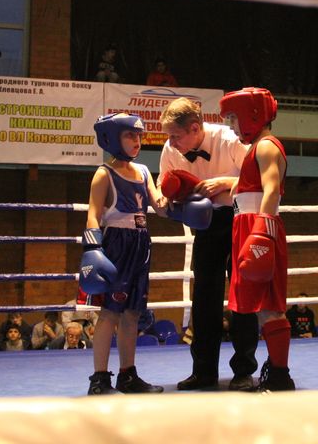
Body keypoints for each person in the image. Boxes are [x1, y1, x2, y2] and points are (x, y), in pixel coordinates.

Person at [158, 97, 258, 391]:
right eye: (169, 136)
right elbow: (165, 187)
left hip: (239, 219)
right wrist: (168, 202)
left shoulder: (228, 139)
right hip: (205, 225)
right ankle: (203, 372)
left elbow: (261, 178)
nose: (171, 142)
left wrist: (227, 182)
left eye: (176, 135)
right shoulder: (171, 149)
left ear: (194, 128)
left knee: (242, 297)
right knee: (203, 299)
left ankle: (243, 371)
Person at [84, 112, 168, 395]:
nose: (137, 140)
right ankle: (99, 379)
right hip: (115, 244)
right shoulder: (103, 174)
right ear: (112, 139)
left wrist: (184, 193)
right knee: (110, 312)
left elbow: (159, 205)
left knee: (132, 312)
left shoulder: (144, 171)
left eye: (139, 135)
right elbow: (93, 214)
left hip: (141, 243)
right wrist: (92, 248)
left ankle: (128, 375)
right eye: (130, 135)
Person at [220, 86, 295, 392]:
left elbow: (272, 189)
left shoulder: (266, 146)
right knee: (261, 306)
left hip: (259, 226)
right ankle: (277, 370)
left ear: (253, 115)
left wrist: (261, 232)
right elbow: (249, 190)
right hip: (247, 226)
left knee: (271, 306)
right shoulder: (255, 148)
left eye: (234, 118)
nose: (232, 125)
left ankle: (280, 374)